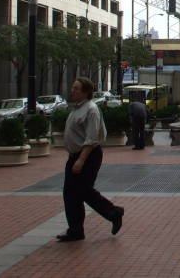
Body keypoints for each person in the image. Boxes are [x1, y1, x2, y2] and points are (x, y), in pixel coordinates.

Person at [57, 77, 124, 242]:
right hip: (76, 156)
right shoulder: (77, 108)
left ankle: (114, 213)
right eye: (73, 88)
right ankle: (75, 230)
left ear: (86, 92)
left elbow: (92, 138)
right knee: (70, 194)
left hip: (88, 155)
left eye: (76, 89)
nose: (72, 91)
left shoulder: (91, 109)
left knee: (84, 191)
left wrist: (81, 160)